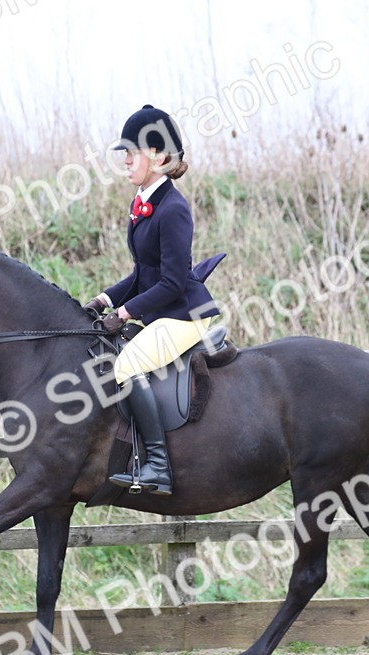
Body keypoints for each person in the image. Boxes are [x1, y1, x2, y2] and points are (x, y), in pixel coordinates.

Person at [85, 104, 220, 496]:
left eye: (132, 152)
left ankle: (158, 466)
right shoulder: (143, 204)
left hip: (185, 315)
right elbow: (143, 273)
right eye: (123, 153)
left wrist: (125, 312)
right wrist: (102, 300)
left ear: (159, 157)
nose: (125, 160)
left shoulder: (174, 209)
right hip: (164, 311)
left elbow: (173, 283)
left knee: (127, 364)